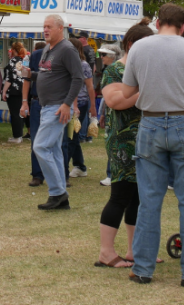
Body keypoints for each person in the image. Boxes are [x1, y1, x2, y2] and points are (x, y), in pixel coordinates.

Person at [120, 3, 184, 287]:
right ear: (183, 26)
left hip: (149, 124)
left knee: (149, 201)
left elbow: (128, 92)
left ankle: (143, 268)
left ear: (158, 22)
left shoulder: (139, 48)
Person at [95, 20, 154, 268]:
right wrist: (148, 90)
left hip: (146, 140)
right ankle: (106, 253)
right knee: (119, 196)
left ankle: (133, 250)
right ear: (131, 45)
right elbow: (115, 102)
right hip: (122, 142)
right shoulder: (114, 71)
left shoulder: (144, 71)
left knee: (138, 197)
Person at [24, 14, 83, 210]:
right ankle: (60, 197)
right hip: (46, 106)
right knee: (55, 151)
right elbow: (49, 73)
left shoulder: (67, 49)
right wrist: (30, 75)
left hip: (58, 107)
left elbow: (78, 78)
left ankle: (57, 192)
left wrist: (67, 104)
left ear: (60, 28)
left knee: (40, 147)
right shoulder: (47, 49)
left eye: (49, 26)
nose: (45, 30)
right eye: (44, 26)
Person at [67, 39, 96, 178]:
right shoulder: (67, 63)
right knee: (72, 136)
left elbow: (90, 87)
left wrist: (93, 107)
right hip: (68, 103)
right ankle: (80, 166)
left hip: (80, 103)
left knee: (71, 135)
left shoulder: (83, 65)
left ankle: (67, 166)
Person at [22, 41, 47, 187]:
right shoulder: (36, 55)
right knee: (36, 140)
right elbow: (26, 78)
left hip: (56, 103)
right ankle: (37, 174)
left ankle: (62, 173)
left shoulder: (64, 53)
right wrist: (25, 101)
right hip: (37, 101)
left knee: (59, 141)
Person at [2, 41, 27, 143]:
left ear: (14, 50)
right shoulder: (24, 60)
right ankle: (19, 134)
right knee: (20, 112)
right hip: (23, 89)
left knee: (14, 113)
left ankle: (17, 136)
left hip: (13, 90)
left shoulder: (12, 61)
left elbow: (10, 78)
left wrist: (4, 91)